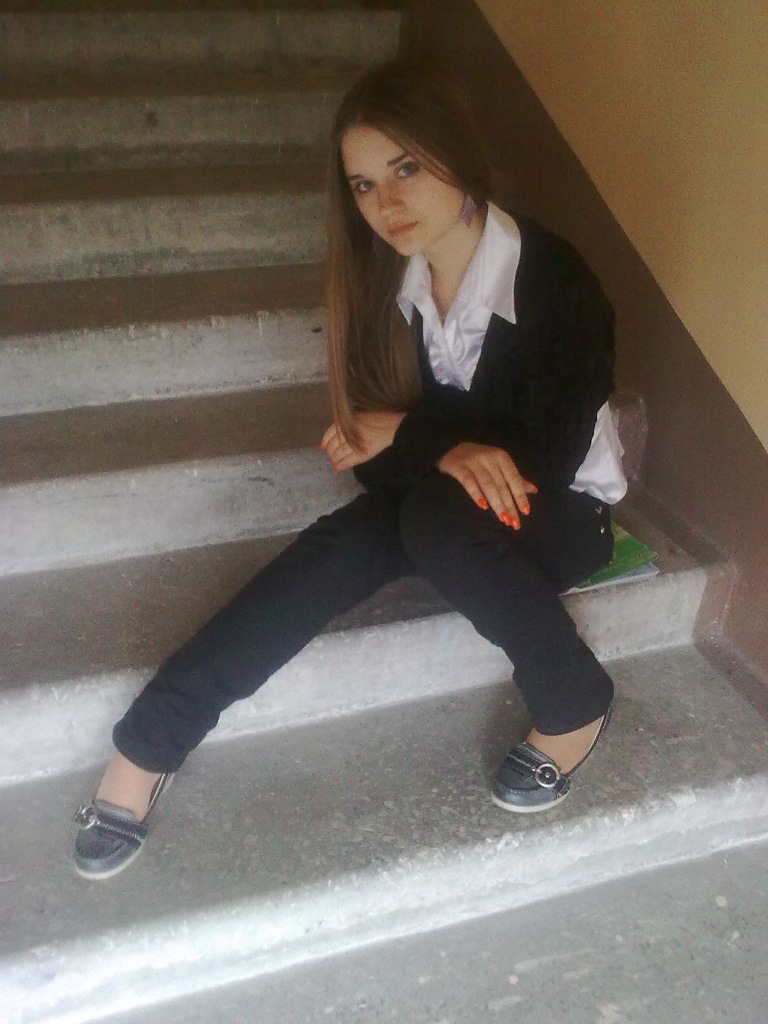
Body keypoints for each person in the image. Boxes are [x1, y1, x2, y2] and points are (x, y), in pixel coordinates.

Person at [73, 62, 626, 880]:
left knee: (434, 519)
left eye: (407, 169)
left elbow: (534, 459)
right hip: (442, 506)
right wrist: (428, 444)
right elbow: (377, 470)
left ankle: (575, 701)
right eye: (364, 185)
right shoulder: (383, 283)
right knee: (342, 545)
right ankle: (148, 745)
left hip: (563, 514)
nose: (386, 204)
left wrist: (411, 432)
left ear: (457, 156)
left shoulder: (557, 281)